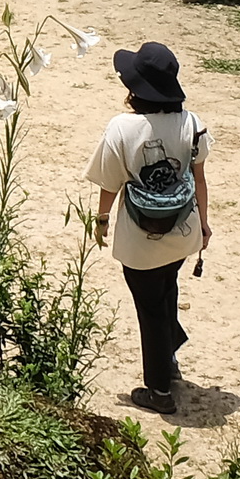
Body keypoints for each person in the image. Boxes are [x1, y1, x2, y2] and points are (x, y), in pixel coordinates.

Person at [84, 39, 211, 411]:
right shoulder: (192, 123)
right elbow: (199, 178)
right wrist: (204, 224)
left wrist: (102, 220)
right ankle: (168, 359)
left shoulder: (122, 128)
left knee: (150, 307)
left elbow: (110, 182)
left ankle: (158, 391)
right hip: (183, 230)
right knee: (166, 287)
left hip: (141, 238)